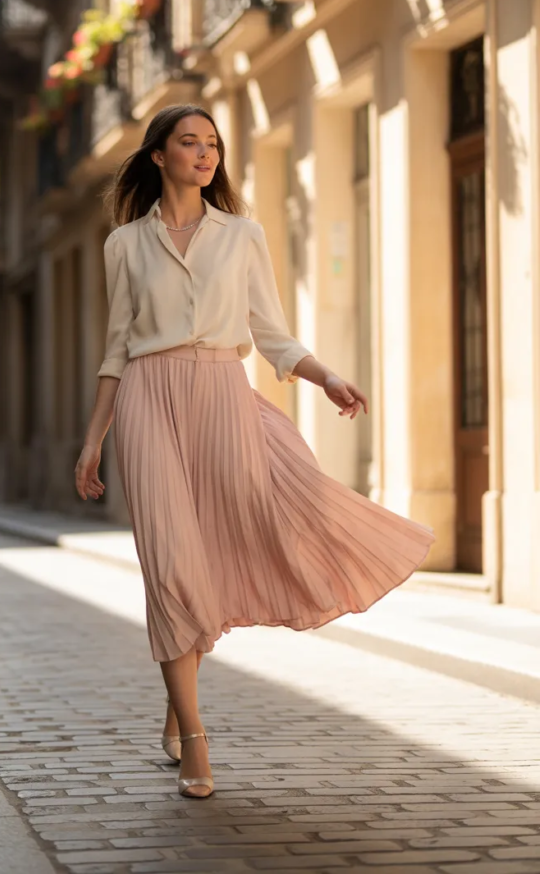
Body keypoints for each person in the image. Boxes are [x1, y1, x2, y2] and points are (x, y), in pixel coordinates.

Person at [75, 103, 435, 800]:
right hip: (149, 398)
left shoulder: (242, 235)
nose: (205, 154)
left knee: (214, 557)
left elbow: (270, 332)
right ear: (158, 156)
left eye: (212, 144)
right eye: (189, 143)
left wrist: (325, 375)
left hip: (219, 394)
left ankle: (176, 704)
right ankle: (196, 741)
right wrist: (95, 438)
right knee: (171, 563)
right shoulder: (123, 244)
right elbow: (117, 346)